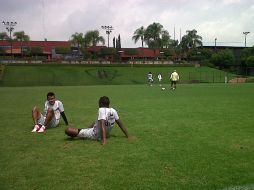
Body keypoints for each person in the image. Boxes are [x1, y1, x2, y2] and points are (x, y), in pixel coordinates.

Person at [65, 96, 131, 145]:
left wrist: (104, 140)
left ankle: (82, 134)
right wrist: (128, 135)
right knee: (95, 121)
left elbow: (102, 124)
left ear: (101, 104)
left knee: (68, 130)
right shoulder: (113, 110)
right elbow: (120, 124)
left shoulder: (101, 109)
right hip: (106, 134)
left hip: (95, 134)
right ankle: (86, 130)